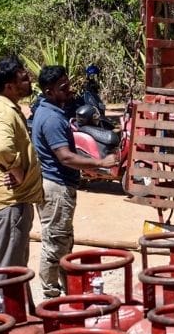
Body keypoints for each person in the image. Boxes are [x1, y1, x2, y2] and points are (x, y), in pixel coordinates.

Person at [29, 65, 118, 298]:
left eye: (68, 84)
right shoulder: (51, 119)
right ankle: (51, 296)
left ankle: (66, 291)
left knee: (62, 240)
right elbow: (66, 157)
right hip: (56, 187)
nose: (69, 90)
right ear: (49, 92)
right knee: (55, 243)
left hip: (57, 185)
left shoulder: (51, 112)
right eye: (63, 87)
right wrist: (100, 163)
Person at [0, 56, 44, 311]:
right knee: (9, 267)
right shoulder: (3, 112)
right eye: (23, 78)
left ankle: (21, 315)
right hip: (9, 202)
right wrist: (16, 170)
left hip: (12, 201)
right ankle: (2, 318)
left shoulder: (6, 108)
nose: (29, 81)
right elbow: (3, 147)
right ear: (9, 86)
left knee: (16, 265)